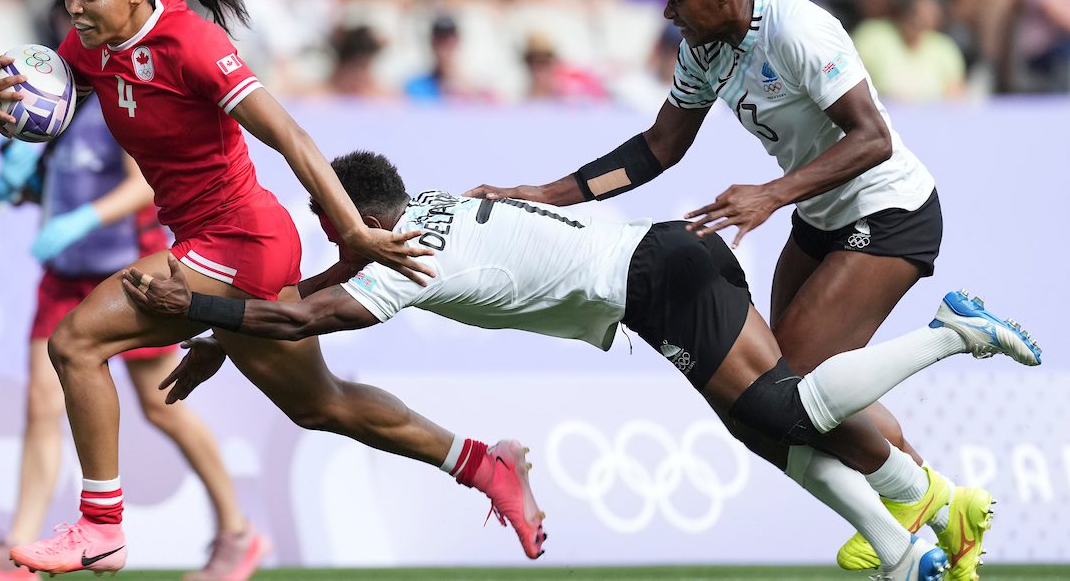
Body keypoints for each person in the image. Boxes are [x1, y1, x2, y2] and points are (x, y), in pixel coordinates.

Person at [125, 151, 1041, 581]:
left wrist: (195, 308)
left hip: (658, 279)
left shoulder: (407, 268)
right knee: (758, 425)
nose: (332, 241)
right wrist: (216, 340)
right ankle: (899, 548)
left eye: (334, 225)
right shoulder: (430, 206)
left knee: (787, 409)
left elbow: (306, 315)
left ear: (355, 219)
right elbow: (322, 283)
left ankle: (960, 335)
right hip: (665, 257)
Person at [0, 0, 542, 576]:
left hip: (242, 238)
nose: (73, 7)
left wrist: (352, 230)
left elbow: (289, 133)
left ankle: (102, 525)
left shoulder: (193, 44)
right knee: (322, 404)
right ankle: (483, 465)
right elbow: (44, 101)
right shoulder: (90, 46)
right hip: (212, 242)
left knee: (75, 341)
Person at [463, 0, 982, 578]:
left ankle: (942, 401)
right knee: (786, 385)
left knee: (793, 383)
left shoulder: (796, 28)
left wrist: (772, 192)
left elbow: (872, 137)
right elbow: (658, 148)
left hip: (891, 209)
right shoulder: (704, 52)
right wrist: (544, 194)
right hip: (820, 215)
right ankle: (936, 501)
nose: (665, 8)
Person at [0, 94, 270, 580]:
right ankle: (20, 549)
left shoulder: (119, 100)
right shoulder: (53, 99)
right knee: (41, 403)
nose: (76, 16)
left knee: (165, 406)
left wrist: (83, 220)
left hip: (129, 272)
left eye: (82, 11)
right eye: (67, 12)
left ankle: (238, 532)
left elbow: (143, 185)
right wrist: (26, 179)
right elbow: (64, 185)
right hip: (66, 273)